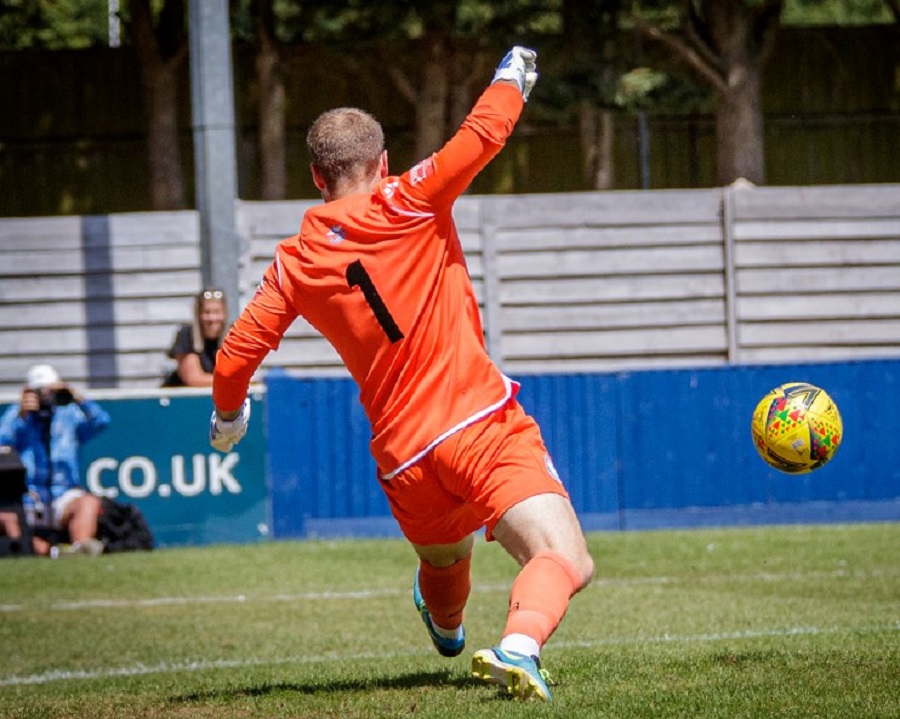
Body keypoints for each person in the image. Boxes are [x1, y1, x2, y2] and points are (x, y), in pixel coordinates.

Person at [208, 47, 595, 701]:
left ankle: (446, 623)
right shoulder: (410, 199)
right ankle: (519, 647)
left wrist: (228, 417)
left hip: (403, 455)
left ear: (315, 178)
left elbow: (234, 354)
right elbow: (484, 133)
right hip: (478, 422)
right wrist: (515, 73)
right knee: (565, 557)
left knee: (445, 558)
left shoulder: (296, 260)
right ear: (381, 164)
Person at [0, 364, 110, 556]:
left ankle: (79, 549)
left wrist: (76, 396)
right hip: (28, 496)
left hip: (63, 495)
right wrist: (21, 416)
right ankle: (48, 551)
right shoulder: (18, 415)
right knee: (8, 519)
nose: (46, 396)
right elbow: (2, 441)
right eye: (41, 391)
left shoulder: (69, 414)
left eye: (51, 390)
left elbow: (101, 422)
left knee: (88, 502)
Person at [162, 288, 228, 387]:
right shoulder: (187, 334)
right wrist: (234, 380)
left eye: (216, 312)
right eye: (207, 312)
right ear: (198, 315)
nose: (212, 318)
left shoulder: (234, 336)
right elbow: (194, 379)